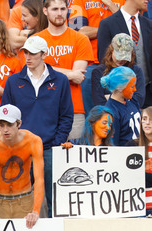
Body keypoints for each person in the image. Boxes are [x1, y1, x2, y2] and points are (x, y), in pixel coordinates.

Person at [0, 36, 74, 218]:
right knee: (17, 197)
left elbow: (66, 116)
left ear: (44, 54)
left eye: (33, 53)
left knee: (53, 197)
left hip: (49, 148)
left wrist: (56, 143)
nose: (28, 57)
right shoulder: (13, 81)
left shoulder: (61, 80)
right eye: (26, 52)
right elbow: (5, 115)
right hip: (20, 148)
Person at [35, 0, 93, 140]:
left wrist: (44, 68)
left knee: (73, 158)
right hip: (43, 108)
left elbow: (78, 76)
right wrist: (70, 74)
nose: (60, 13)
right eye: (55, 9)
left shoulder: (81, 39)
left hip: (73, 109)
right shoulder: (36, 39)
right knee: (45, 157)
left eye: (63, 9)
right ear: (45, 11)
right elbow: (34, 72)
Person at [0, 104, 44, 229]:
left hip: (24, 199)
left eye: (9, 125)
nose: (5, 129)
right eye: (1, 125)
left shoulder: (33, 141)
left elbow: (39, 179)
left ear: (19, 124)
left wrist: (35, 211)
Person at [68, 0, 124, 115]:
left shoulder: (125, 1)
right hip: (91, 61)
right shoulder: (80, 1)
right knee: (87, 78)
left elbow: (128, 27)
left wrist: (110, 4)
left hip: (120, 61)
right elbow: (78, 32)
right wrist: (109, 29)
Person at [97, 0, 152, 107]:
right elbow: (104, 62)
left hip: (148, 97)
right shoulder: (107, 24)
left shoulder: (149, 25)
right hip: (121, 98)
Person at [92, 33, 145, 107]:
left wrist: (111, 98)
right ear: (111, 51)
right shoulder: (99, 72)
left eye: (124, 57)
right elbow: (99, 102)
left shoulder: (136, 70)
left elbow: (139, 99)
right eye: (119, 56)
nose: (121, 60)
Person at [100, 66, 140, 146]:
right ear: (119, 88)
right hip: (126, 154)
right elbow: (113, 144)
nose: (135, 89)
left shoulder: (132, 100)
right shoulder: (111, 111)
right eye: (132, 86)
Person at [126, 106, 152, 217]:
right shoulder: (132, 145)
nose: (147, 123)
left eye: (151, 120)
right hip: (137, 208)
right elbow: (126, 176)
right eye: (144, 119)